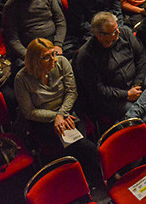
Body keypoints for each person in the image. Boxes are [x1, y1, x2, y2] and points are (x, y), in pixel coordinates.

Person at [14, 38, 101, 186]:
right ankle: (101, 175)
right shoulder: (22, 79)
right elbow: (29, 111)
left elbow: (72, 92)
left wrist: (61, 114)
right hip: (43, 120)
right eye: (46, 57)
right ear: (35, 60)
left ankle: (83, 181)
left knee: (78, 143)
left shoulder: (62, 62)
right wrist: (56, 117)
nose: (52, 59)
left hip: (68, 110)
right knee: (81, 145)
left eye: (53, 54)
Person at [75, 11, 146, 124]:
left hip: (134, 80)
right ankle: (137, 120)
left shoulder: (124, 33)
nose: (118, 32)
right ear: (100, 35)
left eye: (117, 27)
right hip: (112, 96)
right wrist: (126, 94)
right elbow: (98, 89)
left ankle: (130, 116)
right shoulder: (86, 55)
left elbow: (142, 57)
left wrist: (137, 84)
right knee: (142, 120)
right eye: (114, 31)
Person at [1, 0, 66, 67]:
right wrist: (28, 55)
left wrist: (58, 44)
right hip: (31, 47)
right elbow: (12, 39)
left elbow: (60, 21)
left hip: (53, 40)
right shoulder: (10, 7)